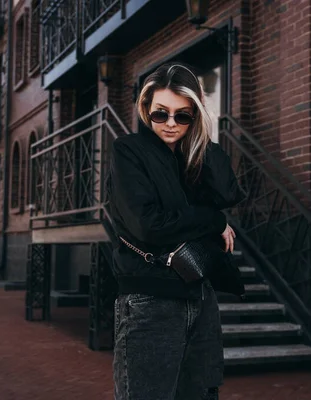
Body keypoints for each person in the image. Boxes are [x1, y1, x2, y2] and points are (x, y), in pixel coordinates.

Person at [107, 62, 245, 400]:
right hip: (150, 300)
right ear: (146, 110)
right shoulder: (129, 151)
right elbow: (149, 225)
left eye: (183, 116)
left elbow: (228, 193)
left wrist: (201, 135)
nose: (171, 124)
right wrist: (214, 221)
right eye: (160, 114)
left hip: (200, 295)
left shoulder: (192, 155)